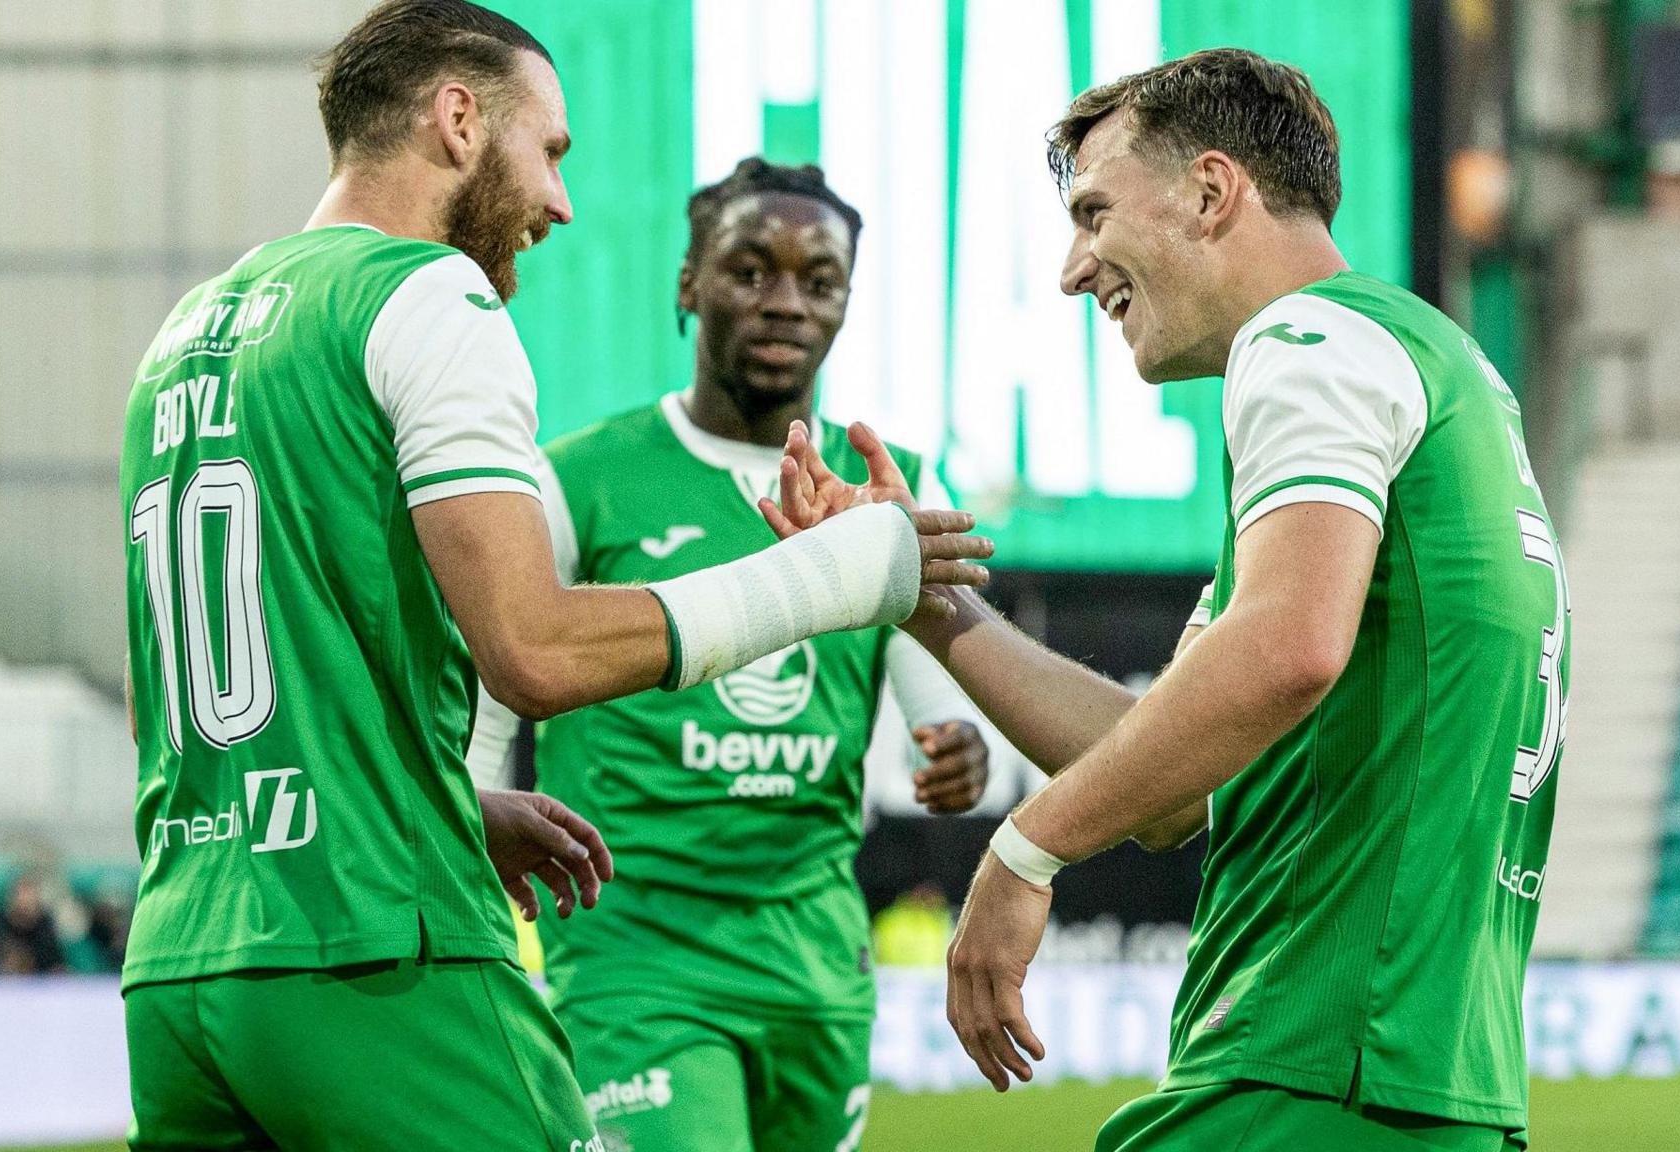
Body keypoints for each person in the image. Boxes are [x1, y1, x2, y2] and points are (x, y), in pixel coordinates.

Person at [115, 4, 989, 1150]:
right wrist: (837, 574)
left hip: (186, 966)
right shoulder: (424, 294)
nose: (561, 202)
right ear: (459, 119)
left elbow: (182, 702)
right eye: (552, 150)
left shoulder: (186, 333)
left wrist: (448, 800)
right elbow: (529, 650)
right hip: (376, 947)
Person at [765, 48, 1567, 1152]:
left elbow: (1289, 650)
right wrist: (919, 594)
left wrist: (1021, 851)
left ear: (1208, 190)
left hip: (1311, 1070)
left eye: (1092, 212)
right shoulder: (1430, 364)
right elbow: (1159, 781)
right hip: (1405, 1083)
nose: (1071, 266)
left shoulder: (1306, 342)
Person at [467, 157, 996, 1152]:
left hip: (814, 956)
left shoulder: (894, 481)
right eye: (750, 270)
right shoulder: (580, 478)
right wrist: (462, 808)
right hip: (635, 948)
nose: (785, 301)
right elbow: (497, 670)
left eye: (818, 279)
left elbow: (939, 679)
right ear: (688, 283)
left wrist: (954, 737)